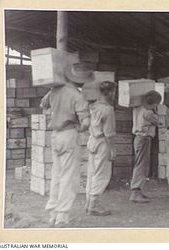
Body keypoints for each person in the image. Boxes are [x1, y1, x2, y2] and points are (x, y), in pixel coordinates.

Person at [40, 62, 93, 227]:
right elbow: (85, 122)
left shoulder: (53, 91)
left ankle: (53, 213)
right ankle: (62, 215)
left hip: (54, 135)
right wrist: (81, 126)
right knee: (69, 176)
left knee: (56, 174)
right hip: (69, 134)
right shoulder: (78, 95)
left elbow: (43, 105)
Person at [85, 80, 117, 216]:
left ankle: (88, 203)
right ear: (110, 92)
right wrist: (112, 149)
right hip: (103, 143)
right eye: (114, 92)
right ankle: (94, 205)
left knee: (92, 173)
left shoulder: (92, 106)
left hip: (92, 140)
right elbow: (109, 133)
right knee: (102, 174)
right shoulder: (108, 110)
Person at [130, 90, 162, 203]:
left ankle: (139, 190)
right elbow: (159, 122)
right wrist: (155, 111)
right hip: (144, 139)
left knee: (140, 163)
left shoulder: (137, 108)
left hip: (139, 138)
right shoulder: (149, 113)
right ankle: (136, 192)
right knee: (141, 165)